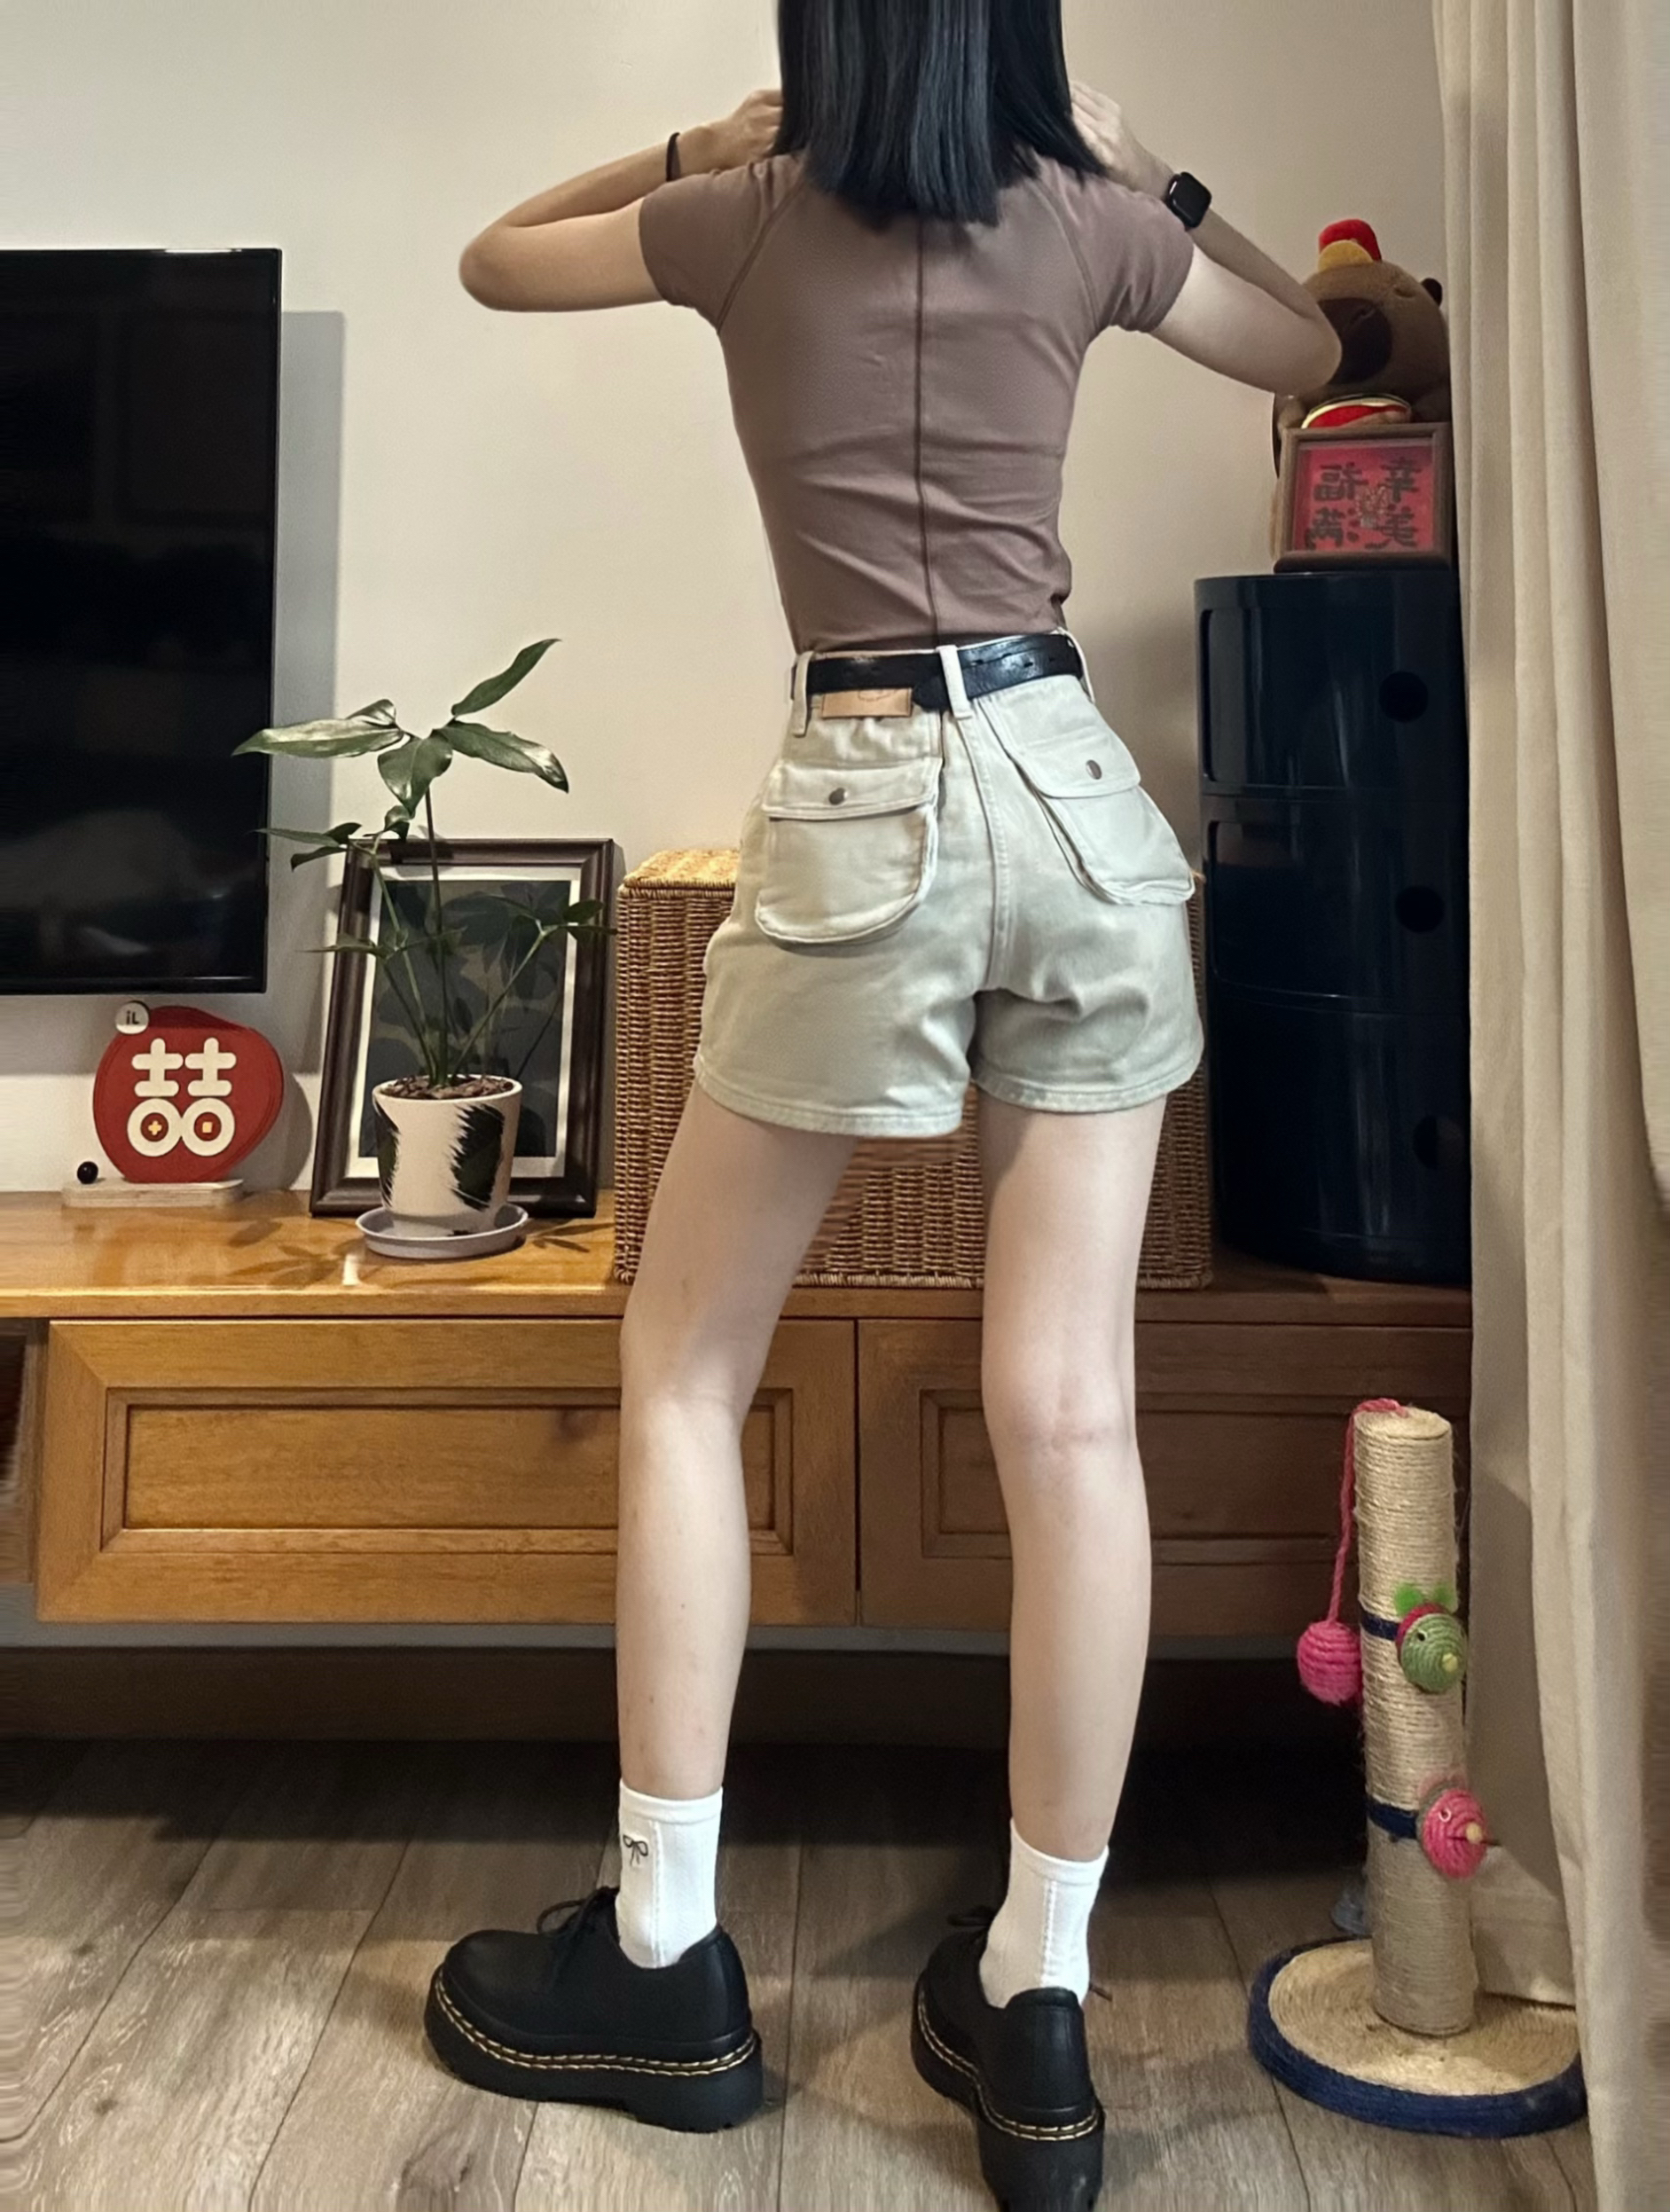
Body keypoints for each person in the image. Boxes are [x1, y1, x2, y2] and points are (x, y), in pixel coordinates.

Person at [427, 6, 1338, 2205]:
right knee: (1072, 1413)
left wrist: (695, 137)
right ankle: (1039, 2001)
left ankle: (664, 1950)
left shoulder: (744, 216)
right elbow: (1312, 353)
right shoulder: (1093, 218)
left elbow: (493, 257)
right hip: (1078, 794)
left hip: (870, 791)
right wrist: (1157, 167)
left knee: (683, 1364)